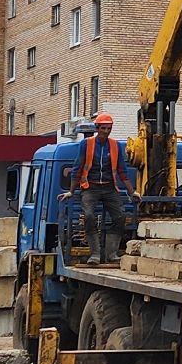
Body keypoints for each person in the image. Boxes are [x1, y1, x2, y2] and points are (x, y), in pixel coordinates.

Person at [76, 113, 133, 265]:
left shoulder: (115, 145)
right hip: (90, 187)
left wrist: (132, 192)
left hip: (109, 187)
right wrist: (71, 190)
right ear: (97, 128)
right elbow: (78, 167)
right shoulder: (87, 144)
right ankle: (95, 254)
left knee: (120, 217)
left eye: (109, 128)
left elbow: (122, 170)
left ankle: (111, 254)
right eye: (103, 128)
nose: (106, 131)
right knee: (88, 216)